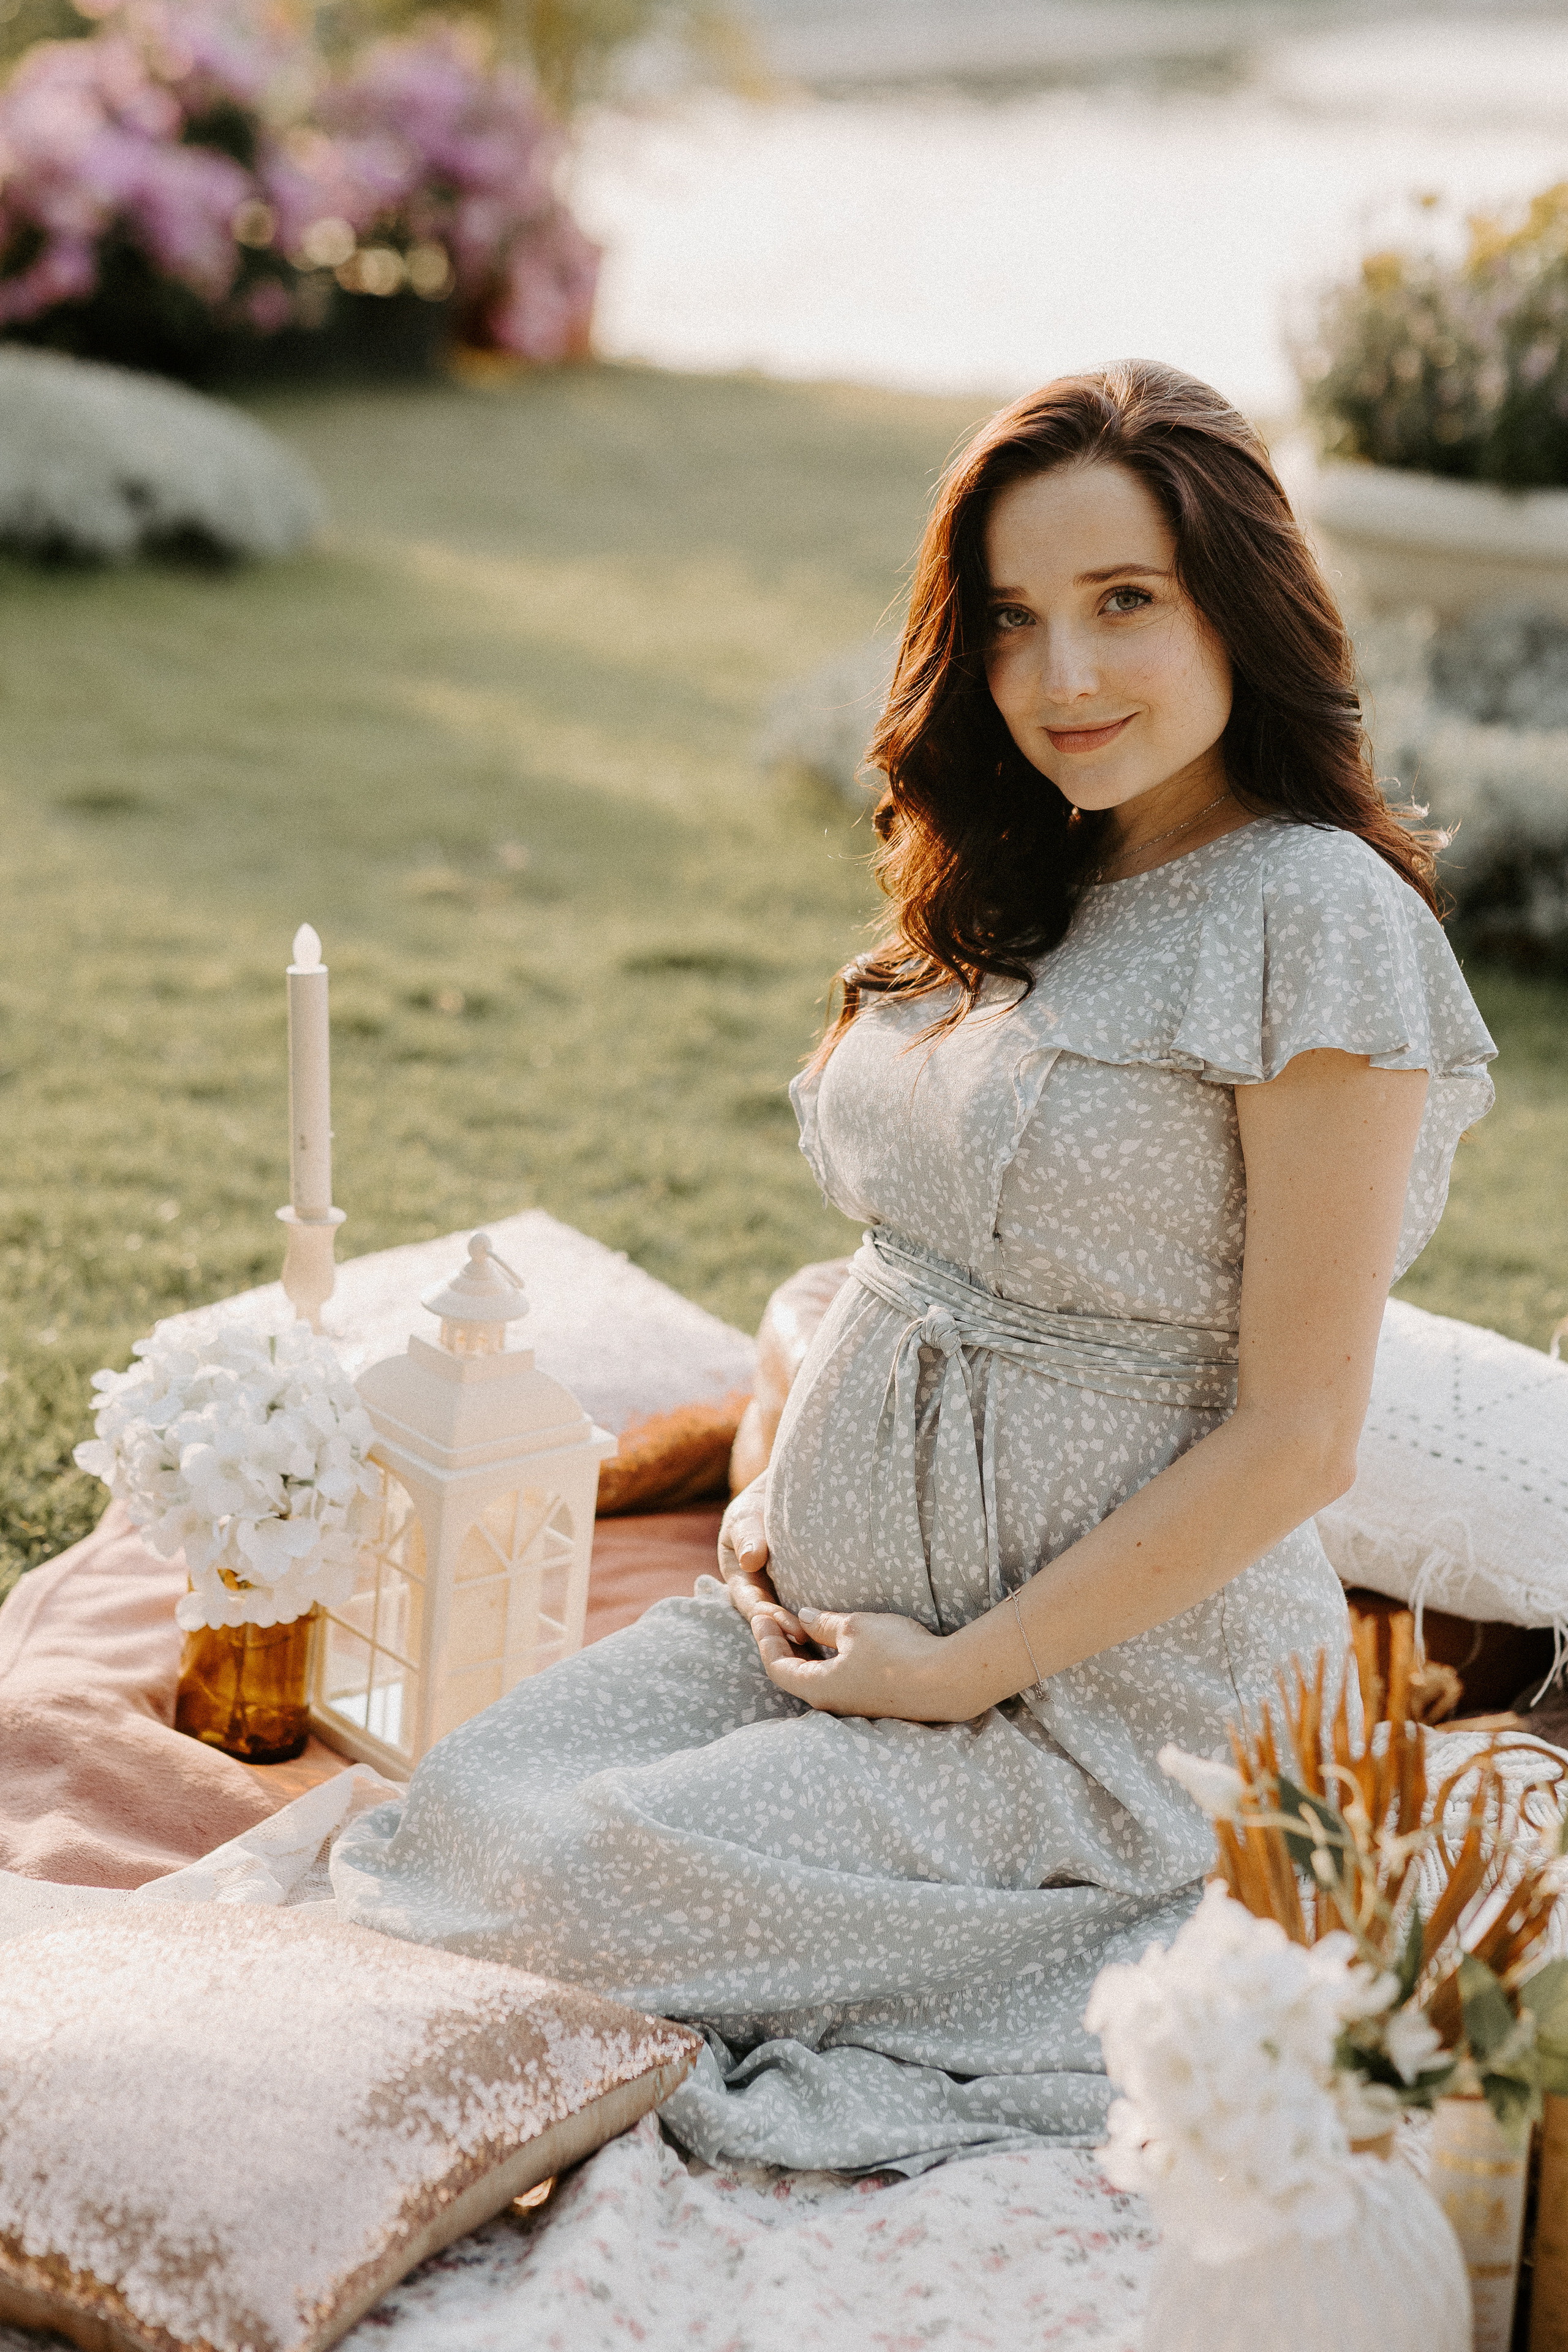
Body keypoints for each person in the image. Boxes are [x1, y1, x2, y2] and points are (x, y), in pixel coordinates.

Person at [331, 361, 1495, 2174]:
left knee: (574, 1877)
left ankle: (1081, 1946)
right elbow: (924, 1252)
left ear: (1243, 607)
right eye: (1014, 618)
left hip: (1099, 1715)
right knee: (469, 1803)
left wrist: (969, 1669)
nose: (1062, 676)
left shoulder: (1311, 917)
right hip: (826, 1633)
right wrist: (777, 1500)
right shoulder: (1031, 867)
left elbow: (1301, 1435)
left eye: (1126, 601)